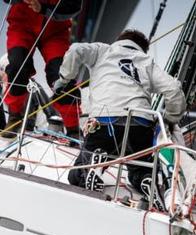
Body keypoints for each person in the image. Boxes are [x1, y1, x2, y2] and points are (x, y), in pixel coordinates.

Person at [57, 29, 186, 206]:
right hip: (140, 125)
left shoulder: (103, 51)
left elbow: (76, 49)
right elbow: (174, 89)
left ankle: (92, 169)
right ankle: (146, 179)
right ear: (142, 49)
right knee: (140, 167)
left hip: (104, 122)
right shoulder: (146, 61)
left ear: (119, 40)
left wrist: (65, 78)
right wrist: (170, 119)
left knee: (75, 174)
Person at [2, 0, 82, 138]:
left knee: (62, 76)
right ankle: (15, 117)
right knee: (17, 65)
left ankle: (73, 128)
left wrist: (43, 8)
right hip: (22, 25)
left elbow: (73, 7)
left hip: (55, 31)